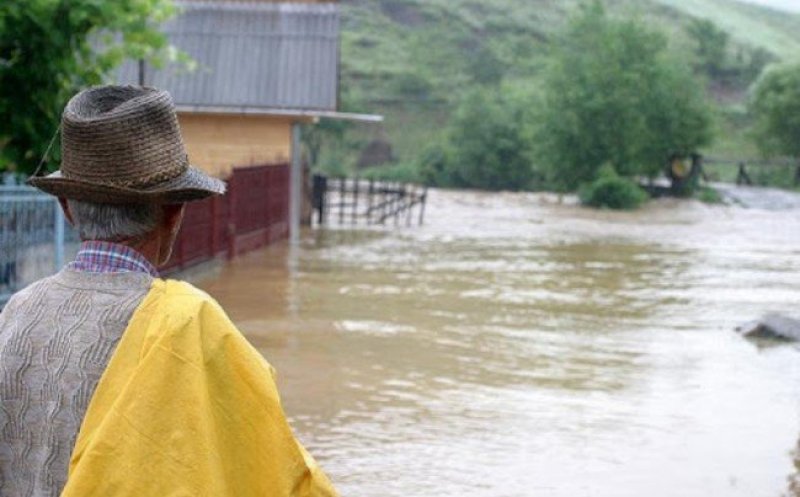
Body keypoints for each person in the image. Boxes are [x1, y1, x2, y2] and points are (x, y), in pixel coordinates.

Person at [0, 85, 337, 496]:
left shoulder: (15, 313)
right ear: (174, 213)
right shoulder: (189, 326)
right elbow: (279, 473)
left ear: (66, 208)